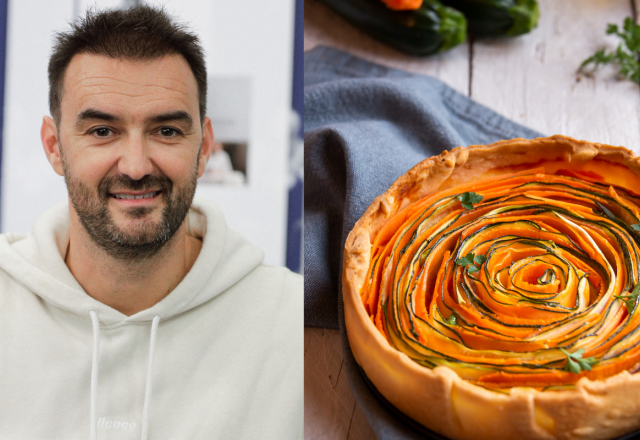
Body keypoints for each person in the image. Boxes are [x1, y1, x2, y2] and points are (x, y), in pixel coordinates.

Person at [0, 6, 302, 440]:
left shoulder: (290, 321)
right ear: (53, 146)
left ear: (205, 147)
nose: (137, 166)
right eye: (103, 131)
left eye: (166, 131)